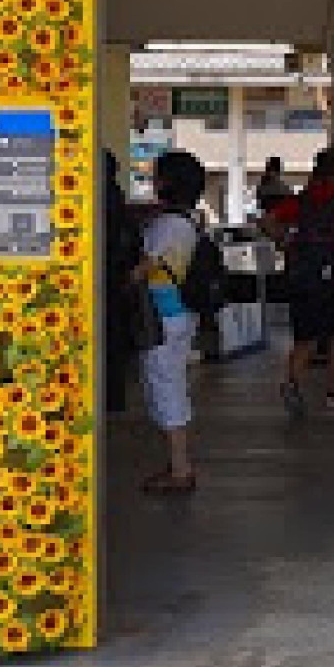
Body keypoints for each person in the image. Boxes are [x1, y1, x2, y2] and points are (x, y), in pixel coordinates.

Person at [265, 144, 334, 417]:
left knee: (305, 338)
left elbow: (267, 221)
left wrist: (284, 243)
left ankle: (292, 382)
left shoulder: (301, 200)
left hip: (303, 276)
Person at [136, 151, 209, 493]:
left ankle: (180, 469)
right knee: (168, 384)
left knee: (166, 388)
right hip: (178, 314)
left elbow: (144, 268)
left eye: (158, 175)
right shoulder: (188, 220)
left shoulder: (168, 225)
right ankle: (177, 463)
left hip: (165, 316)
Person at [100, 149, 143, 416]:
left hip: (104, 278)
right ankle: (113, 399)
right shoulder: (117, 197)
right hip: (117, 280)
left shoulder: (99, 197)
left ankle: (105, 397)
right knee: (114, 342)